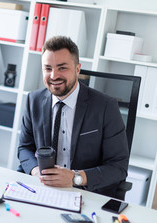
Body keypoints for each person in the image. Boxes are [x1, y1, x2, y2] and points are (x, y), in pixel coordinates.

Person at [18, 36, 129, 198]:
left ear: (78, 69)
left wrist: (76, 178)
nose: (54, 75)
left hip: (85, 192)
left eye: (62, 68)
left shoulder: (105, 106)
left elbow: (118, 166)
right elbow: (25, 148)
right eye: (48, 68)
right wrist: (36, 172)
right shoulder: (33, 100)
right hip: (41, 188)